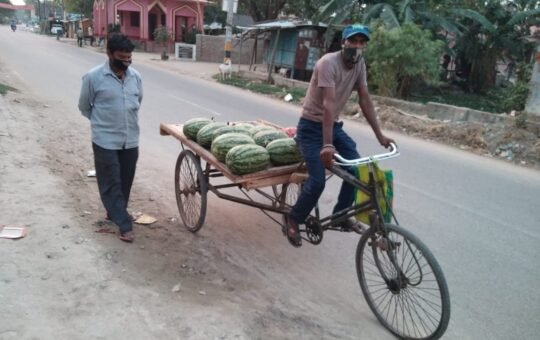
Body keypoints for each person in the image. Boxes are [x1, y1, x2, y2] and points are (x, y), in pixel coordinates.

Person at [282, 24, 394, 247]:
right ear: (344, 42)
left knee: (355, 169)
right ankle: (293, 219)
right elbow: (328, 104)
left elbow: (364, 99)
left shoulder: (359, 64)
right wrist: (327, 145)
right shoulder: (327, 63)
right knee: (317, 181)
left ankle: (340, 216)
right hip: (311, 128)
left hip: (332, 125)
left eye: (362, 42)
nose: (358, 46)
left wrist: (380, 135)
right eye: (354, 41)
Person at [78, 34, 143, 243]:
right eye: (121, 57)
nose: (126, 61)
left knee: (125, 181)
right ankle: (124, 224)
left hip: (130, 139)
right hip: (105, 140)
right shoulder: (93, 77)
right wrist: (102, 124)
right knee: (111, 182)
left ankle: (114, 211)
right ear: (109, 54)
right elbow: (84, 107)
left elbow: (137, 101)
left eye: (129, 57)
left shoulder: (136, 77)